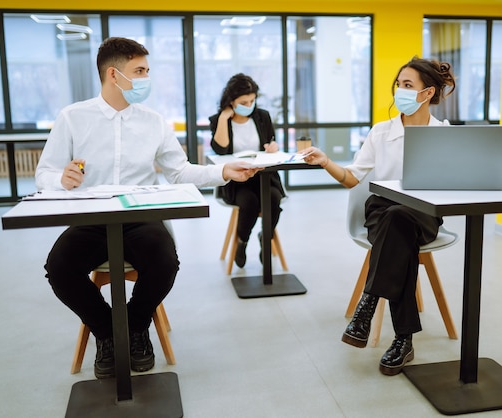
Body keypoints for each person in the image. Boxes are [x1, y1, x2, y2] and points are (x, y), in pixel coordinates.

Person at [35, 37, 260, 379]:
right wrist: (60, 179)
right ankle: (108, 333)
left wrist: (223, 171)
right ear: (113, 74)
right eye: (139, 71)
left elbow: (179, 171)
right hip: (92, 217)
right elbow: (44, 174)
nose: (145, 78)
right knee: (59, 267)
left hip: (141, 217)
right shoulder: (72, 118)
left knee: (165, 262)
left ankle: (137, 327)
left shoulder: (155, 121)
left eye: (146, 71)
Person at [301, 56, 456, 376]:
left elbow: (453, 186)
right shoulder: (381, 132)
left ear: (428, 93)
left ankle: (369, 303)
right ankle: (402, 339)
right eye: (398, 84)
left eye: (408, 85)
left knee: (400, 223)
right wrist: (326, 161)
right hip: (382, 211)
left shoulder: (444, 133)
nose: (400, 90)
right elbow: (352, 178)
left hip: (425, 214)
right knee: (397, 222)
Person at [209, 73, 285, 268]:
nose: (249, 105)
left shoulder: (262, 117)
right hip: (236, 180)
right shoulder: (219, 119)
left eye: (252, 100)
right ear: (231, 101)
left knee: (274, 200)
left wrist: (272, 148)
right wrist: (225, 118)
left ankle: (265, 238)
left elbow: (271, 143)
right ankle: (242, 242)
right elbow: (220, 150)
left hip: (263, 176)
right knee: (249, 203)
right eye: (244, 101)